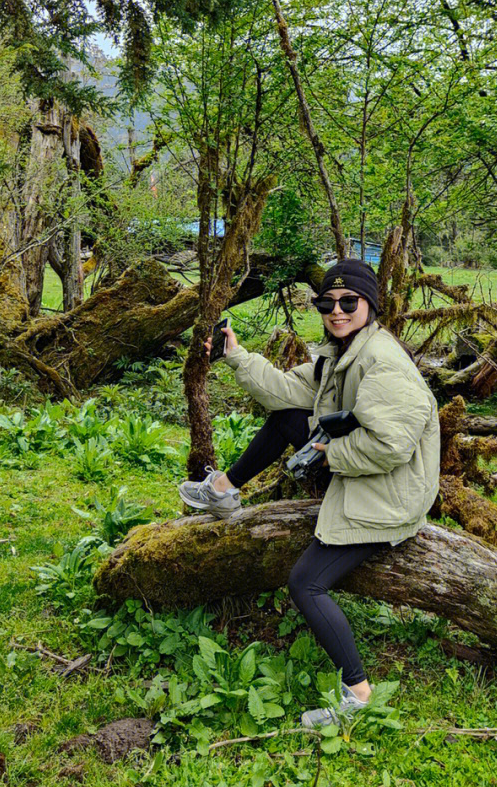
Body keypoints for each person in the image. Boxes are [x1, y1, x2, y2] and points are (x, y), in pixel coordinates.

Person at [179, 258, 440, 727]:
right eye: (326, 302)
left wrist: (325, 454)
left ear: (370, 305)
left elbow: (391, 446)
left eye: (348, 302)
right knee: (286, 415)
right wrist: (235, 354)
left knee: (306, 583)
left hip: (389, 493)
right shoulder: (340, 353)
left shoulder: (384, 363)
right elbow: (283, 391)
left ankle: (359, 695)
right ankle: (223, 489)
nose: (336, 310)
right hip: (361, 470)